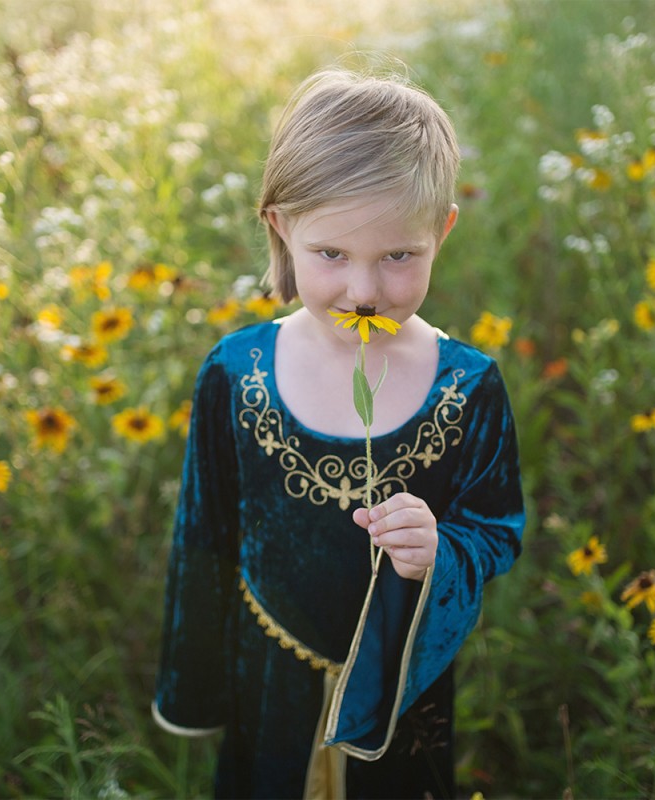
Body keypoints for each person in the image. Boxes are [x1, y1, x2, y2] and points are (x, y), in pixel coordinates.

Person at [152, 66, 524, 800]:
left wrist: (441, 550)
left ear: (441, 230)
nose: (363, 291)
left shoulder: (467, 387)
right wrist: (194, 687)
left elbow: (497, 528)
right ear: (282, 227)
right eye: (331, 255)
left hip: (401, 691)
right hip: (270, 680)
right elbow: (203, 538)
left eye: (398, 256)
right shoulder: (236, 373)